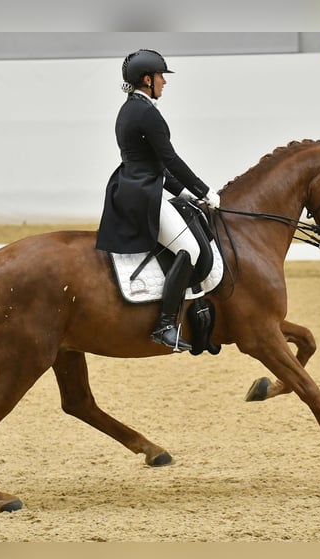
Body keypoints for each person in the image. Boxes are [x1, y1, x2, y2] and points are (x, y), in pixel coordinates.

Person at [96, 49, 221, 352]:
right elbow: (169, 159)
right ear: (147, 79)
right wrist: (204, 191)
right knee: (189, 248)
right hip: (142, 194)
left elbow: (156, 165)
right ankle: (165, 324)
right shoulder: (146, 112)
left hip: (133, 186)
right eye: (161, 76)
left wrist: (185, 193)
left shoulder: (130, 109)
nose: (165, 81)